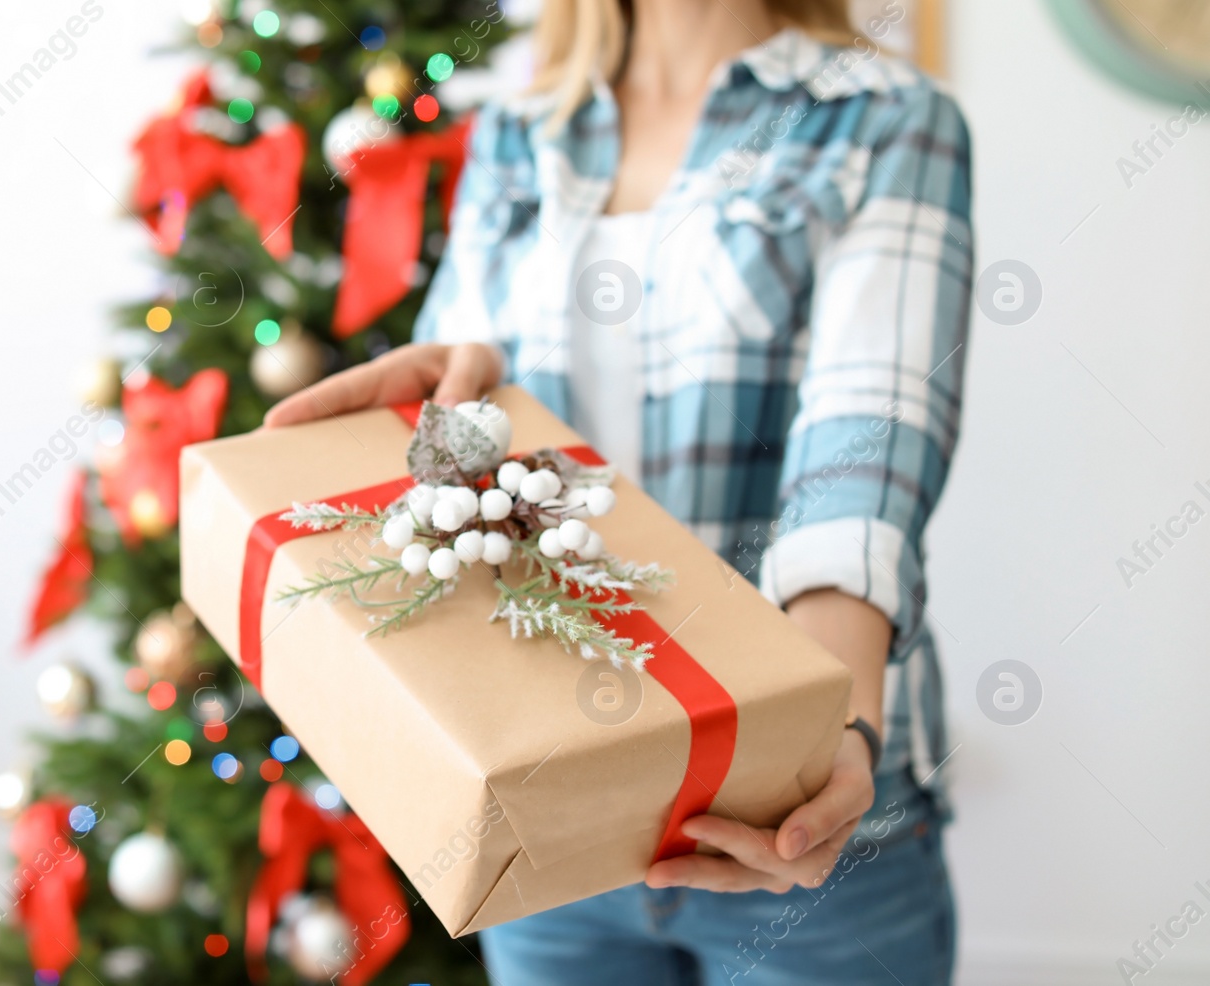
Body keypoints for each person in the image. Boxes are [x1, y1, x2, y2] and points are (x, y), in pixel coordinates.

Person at [267, 0, 971, 981]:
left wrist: (823, 731)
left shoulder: (880, 115)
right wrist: (440, 399)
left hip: (802, 829)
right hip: (557, 810)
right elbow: (469, 423)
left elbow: (865, 436)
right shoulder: (525, 130)